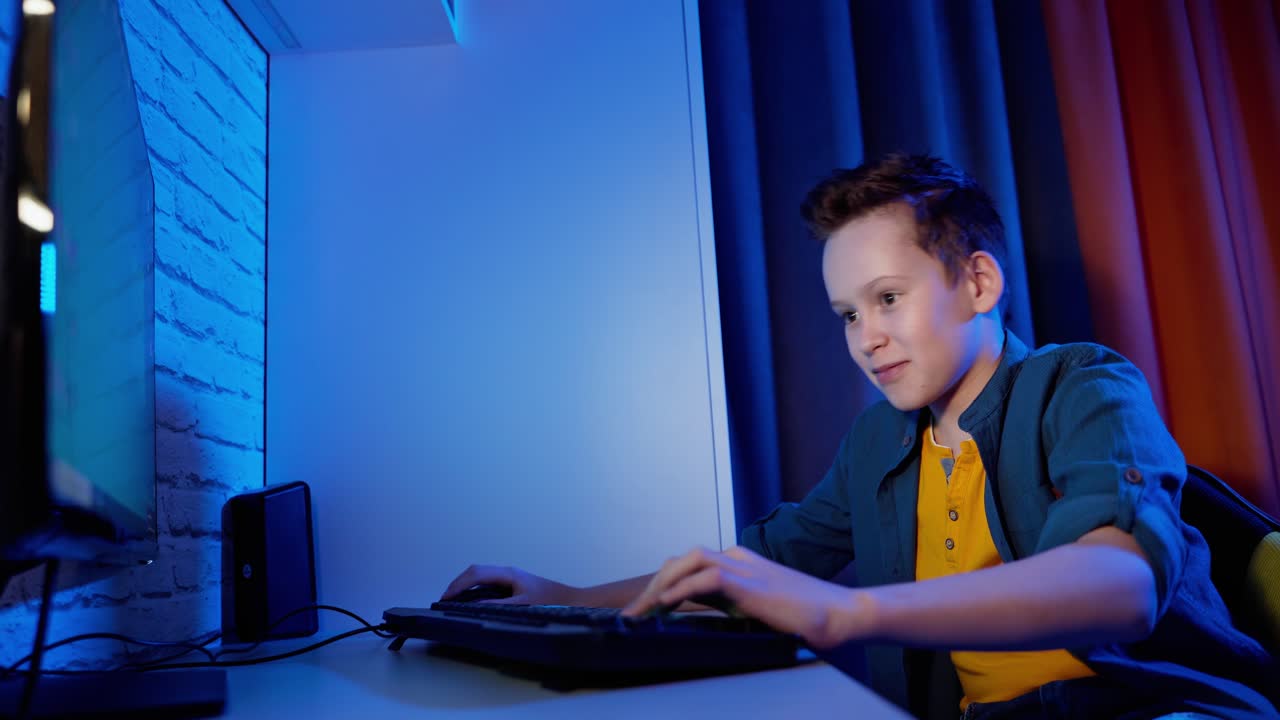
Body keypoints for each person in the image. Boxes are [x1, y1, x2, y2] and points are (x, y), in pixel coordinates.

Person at [441, 154, 1278, 720]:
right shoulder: (878, 445)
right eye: (847, 314)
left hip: (1154, 707)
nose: (865, 337)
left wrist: (850, 613)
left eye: (886, 299)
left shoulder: (1084, 384)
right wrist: (561, 593)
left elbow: (1121, 585)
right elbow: (752, 572)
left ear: (979, 282)